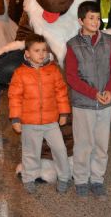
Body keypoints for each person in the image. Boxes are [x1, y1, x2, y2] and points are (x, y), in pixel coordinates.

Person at [65, 1, 111, 199]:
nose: (95, 21)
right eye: (91, 18)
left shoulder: (109, 42)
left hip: (105, 103)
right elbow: (71, 77)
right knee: (83, 144)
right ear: (81, 20)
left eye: (98, 18)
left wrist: (109, 90)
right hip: (83, 103)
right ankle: (81, 179)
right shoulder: (73, 45)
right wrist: (92, 93)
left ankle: (97, 179)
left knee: (101, 144)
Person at [9, 33, 71, 194]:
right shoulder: (20, 73)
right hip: (29, 122)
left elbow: (61, 92)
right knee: (31, 153)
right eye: (37, 50)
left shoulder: (53, 70)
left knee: (60, 150)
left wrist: (64, 112)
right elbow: (14, 97)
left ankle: (64, 177)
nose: (41, 54)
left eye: (44, 50)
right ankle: (29, 177)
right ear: (27, 53)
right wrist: (15, 118)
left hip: (51, 122)